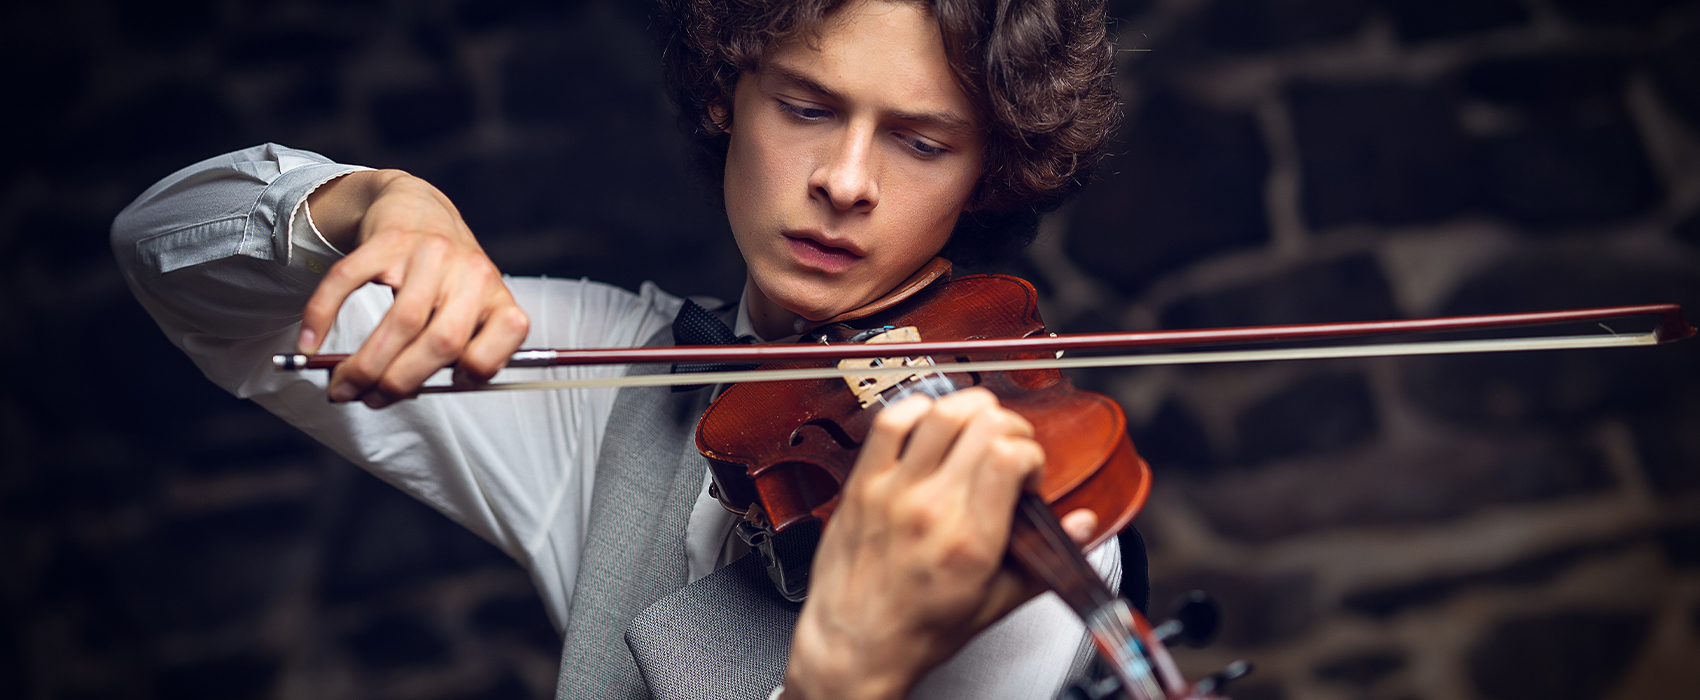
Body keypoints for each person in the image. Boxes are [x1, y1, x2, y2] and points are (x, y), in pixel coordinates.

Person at [112, 0, 1128, 697]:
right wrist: (370, 201)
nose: (846, 180)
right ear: (729, 89)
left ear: (984, 172)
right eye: (807, 107)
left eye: (919, 141)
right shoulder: (609, 378)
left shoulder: (1016, 519)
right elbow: (171, 264)